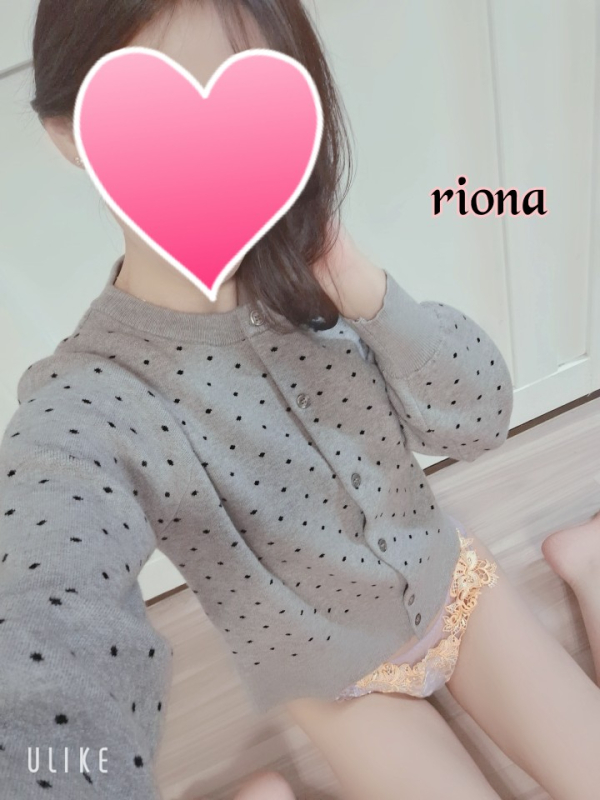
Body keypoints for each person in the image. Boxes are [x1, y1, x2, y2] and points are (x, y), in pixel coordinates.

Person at [2, 1, 600, 798]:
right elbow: (43, 607)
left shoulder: (323, 281)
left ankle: (588, 565)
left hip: (453, 586)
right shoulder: (90, 399)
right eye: (157, 112)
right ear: (70, 133)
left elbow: (482, 416)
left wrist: (369, 294)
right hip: (335, 686)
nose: (211, 152)